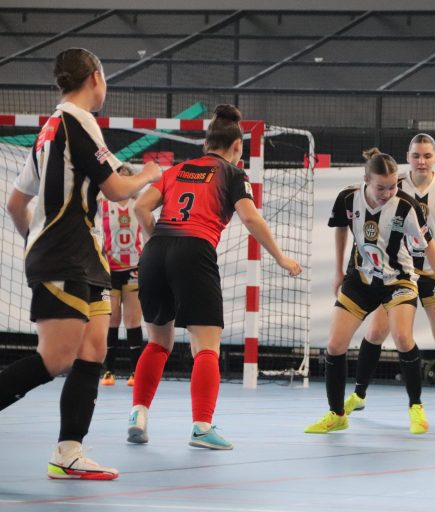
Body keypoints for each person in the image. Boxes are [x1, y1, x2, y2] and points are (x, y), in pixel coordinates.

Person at [2, 47, 161, 480]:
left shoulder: (51, 128)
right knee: (56, 357)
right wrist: (149, 174)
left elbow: (17, 204)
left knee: (94, 349)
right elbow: (117, 189)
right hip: (65, 254)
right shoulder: (77, 120)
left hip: (84, 255)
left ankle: (69, 452)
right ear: (95, 76)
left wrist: (33, 241)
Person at [128, 104, 301, 450]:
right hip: (194, 250)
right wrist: (280, 257)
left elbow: (140, 208)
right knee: (206, 346)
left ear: (206, 143)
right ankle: (202, 426)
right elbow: (251, 219)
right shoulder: (233, 174)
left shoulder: (177, 169)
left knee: (157, 342)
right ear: (237, 147)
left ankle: (138, 415)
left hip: (157, 249)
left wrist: (157, 242)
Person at [305, 148, 435, 435]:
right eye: (380, 187)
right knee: (334, 345)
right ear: (366, 180)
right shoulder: (349, 198)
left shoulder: (406, 206)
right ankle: (337, 414)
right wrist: (338, 270)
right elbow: (341, 228)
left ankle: (416, 408)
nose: (387, 192)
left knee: (402, 337)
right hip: (360, 280)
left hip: (398, 281)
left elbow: (430, 245)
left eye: (393, 185)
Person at [344, 133, 435, 423]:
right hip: (397, 272)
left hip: (432, 271)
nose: (421, 161)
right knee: (376, 332)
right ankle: (359, 395)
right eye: (416, 155)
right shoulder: (395, 186)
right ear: (408, 157)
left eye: (427, 155)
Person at [99, 164, 145, 387]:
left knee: (133, 320)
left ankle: (136, 372)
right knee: (112, 319)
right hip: (110, 269)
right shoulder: (104, 204)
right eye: (119, 178)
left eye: (127, 178)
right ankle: (108, 371)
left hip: (134, 268)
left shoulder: (139, 204)